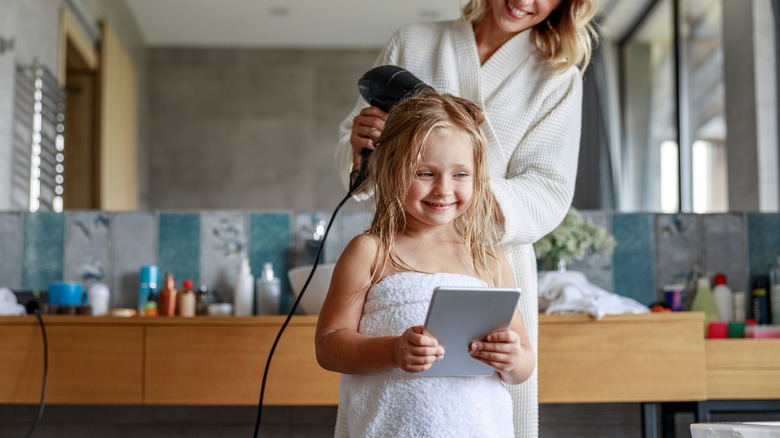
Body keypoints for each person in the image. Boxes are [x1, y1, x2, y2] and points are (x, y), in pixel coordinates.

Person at [334, 1, 598, 436]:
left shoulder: (557, 76)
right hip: (402, 243)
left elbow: (549, 191)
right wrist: (361, 144)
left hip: (489, 254)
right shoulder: (414, 42)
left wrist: (460, 188)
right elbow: (360, 150)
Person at [317, 89, 535, 438]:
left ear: (478, 178)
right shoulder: (371, 252)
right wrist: (392, 350)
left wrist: (513, 359)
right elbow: (329, 345)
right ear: (392, 169)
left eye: (461, 174)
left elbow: (523, 360)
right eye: (425, 173)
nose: (444, 189)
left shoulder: (490, 262)